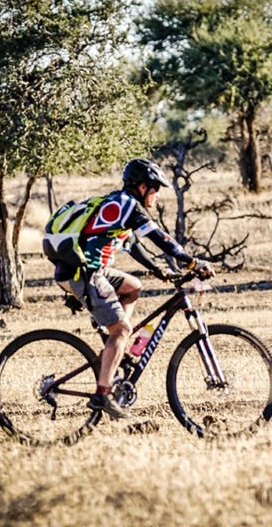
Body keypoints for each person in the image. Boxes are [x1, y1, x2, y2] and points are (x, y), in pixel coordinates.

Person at [54, 159, 215, 419]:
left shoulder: (120, 205)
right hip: (84, 273)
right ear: (142, 186)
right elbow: (158, 237)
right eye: (155, 188)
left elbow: (134, 245)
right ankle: (102, 395)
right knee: (123, 329)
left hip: (90, 270)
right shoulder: (127, 205)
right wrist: (192, 262)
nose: (157, 194)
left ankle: (114, 344)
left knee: (133, 287)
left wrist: (158, 270)